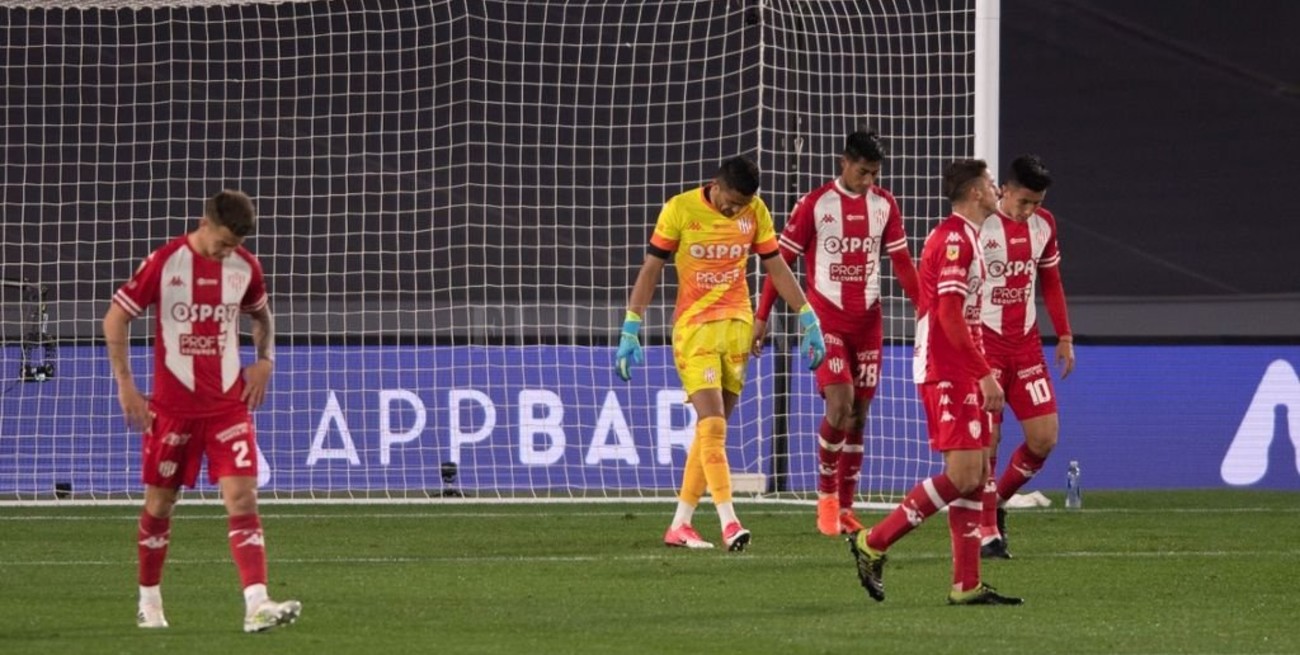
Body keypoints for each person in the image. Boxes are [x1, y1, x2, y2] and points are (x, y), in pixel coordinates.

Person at [103, 189, 302, 632]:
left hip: (228, 407)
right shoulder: (165, 262)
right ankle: (149, 603)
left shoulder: (245, 267)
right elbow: (115, 317)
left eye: (235, 245)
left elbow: (262, 317)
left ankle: (257, 604)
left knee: (243, 497)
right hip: (172, 409)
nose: (227, 251)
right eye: (223, 242)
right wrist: (126, 385)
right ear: (204, 223)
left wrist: (265, 361)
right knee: (160, 504)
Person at [615, 156, 826, 552]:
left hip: (736, 330)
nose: (734, 211)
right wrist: (631, 325)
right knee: (712, 425)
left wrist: (808, 318)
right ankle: (730, 522)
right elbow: (651, 268)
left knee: (712, 431)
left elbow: (777, 267)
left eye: (741, 205)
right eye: (730, 202)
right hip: (694, 330)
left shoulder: (755, 211)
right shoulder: (680, 209)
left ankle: (680, 524)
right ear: (716, 185)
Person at [847, 159, 1023, 605]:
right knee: (962, 473)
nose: (996, 190)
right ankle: (873, 542)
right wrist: (983, 373)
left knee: (976, 472)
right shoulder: (954, 240)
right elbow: (947, 315)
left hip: (963, 365)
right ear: (975, 192)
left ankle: (966, 584)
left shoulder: (967, 236)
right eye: (990, 184)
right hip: (947, 368)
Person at [751, 130, 919, 537]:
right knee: (839, 405)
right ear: (844, 162)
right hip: (826, 321)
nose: (869, 181)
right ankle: (825, 498)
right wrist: (762, 316)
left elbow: (902, 263)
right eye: (863, 172)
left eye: (875, 174)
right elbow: (780, 263)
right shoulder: (815, 204)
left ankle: (845, 505)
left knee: (858, 415)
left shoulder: (885, 205)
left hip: (869, 323)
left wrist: (926, 310)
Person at [976, 155, 1076, 559]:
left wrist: (1064, 335)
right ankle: (986, 531)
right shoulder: (979, 226)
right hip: (985, 345)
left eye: (1037, 203)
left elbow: (1050, 281)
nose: (1030, 210)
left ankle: (997, 502)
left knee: (1044, 438)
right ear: (1005, 190)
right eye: (1024, 202)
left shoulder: (1044, 226)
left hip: (1026, 346)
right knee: (988, 439)